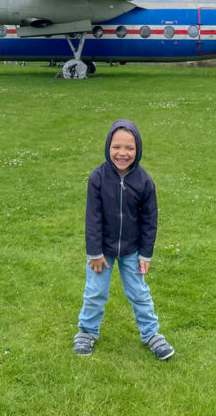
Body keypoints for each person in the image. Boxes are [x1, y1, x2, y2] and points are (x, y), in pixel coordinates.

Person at [73, 119, 174, 360]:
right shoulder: (97, 177)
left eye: (129, 148)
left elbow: (150, 221)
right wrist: (95, 253)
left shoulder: (144, 181)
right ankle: (87, 331)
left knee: (139, 293)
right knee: (95, 292)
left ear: (138, 149)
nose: (122, 153)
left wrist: (145, 254)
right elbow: (93, 218)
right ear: (108, 146)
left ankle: (151, 334)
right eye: (116, 147)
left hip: (132, 251)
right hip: (101, 251)